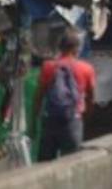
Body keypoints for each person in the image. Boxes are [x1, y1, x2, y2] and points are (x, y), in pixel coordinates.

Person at [34, 29, 96, 161]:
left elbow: (39, 96)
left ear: (60, 47)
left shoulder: (48, 66)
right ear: (77, 48)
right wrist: (86, 117)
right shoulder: (86, 69)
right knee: (72, 164)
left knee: (44, 165)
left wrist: (34, 122)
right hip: (73, 120)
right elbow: (91, 97)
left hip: (50, 121)